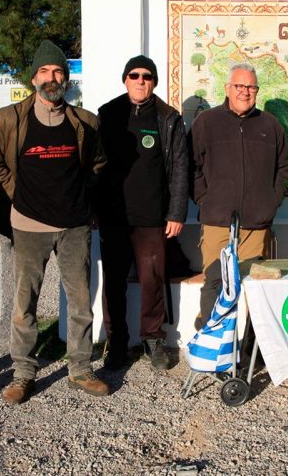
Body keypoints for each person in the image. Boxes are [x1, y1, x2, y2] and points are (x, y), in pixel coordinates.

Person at [0, 40, 109, 403]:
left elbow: (98, 164)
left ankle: (81, 370)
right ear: (33, 78)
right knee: (25, 302)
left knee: (81, 299)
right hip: (28, 224)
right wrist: (17, 193)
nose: (52, 78)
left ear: (67, 79)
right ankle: (23, 373)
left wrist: (82, 197)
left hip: (74, 226)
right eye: (45, 72)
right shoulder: (11, 118)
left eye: (58, 72)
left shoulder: (85, 122)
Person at [95, 55, 188, 370]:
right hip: (114, 217)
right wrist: (94, 209)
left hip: (153, 218)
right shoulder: (107, 115)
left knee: (153, 281)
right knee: (114, 283)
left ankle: (152, 339)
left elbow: (179, 169)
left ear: (154, 81)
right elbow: (95, 166)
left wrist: (176, 212)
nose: (140, 80)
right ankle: (117, 344)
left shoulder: (168, 117)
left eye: (146, 76)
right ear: (125, 79)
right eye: (133, 75)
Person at [190, 63, 288, 328]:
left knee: (255, 288)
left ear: (257, 91)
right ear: (227, 88)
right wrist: (204, 198)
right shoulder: (206, 122)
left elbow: (283, 167)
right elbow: (192, 165)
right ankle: (210, 341)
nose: (245, 92)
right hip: (217, 221)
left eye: (251, 87)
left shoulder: (270, 125)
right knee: (214, 282)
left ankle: (249, 352)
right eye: (239, 86)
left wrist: (272, 200)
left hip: (256, 225)